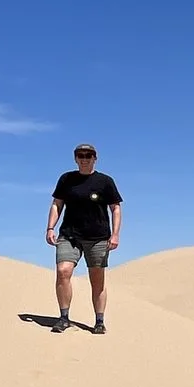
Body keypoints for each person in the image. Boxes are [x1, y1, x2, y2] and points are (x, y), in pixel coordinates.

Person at [44, 143, 123, 333]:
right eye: (81, 155)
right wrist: (50, 228)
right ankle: (63, 318)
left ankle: (99, 321)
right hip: (70, 235)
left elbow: (116, 208)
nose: (84, 158)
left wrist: (115, 234)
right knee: (63, 271)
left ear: (95, 158)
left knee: (97, 279)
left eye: (89, 155)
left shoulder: (105, 181)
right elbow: (57, 204)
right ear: (75, 158)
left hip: (98, 237)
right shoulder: (67, 179)